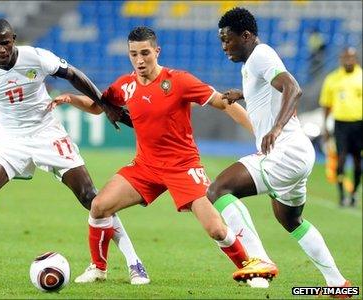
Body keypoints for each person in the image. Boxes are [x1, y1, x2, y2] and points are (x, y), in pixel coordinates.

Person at [0, 19, 149, 285]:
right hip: (11, 139)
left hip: (48, 134)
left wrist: (105, 105)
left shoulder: (35, 57)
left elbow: (72, 74)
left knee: (91, 198)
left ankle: (134, 262)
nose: (1, 49)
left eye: (5, 42)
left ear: (13, 38)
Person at [49, 26, 278, 285]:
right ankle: (98, 268)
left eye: (145, 53)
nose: (139, 60)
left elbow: (225, 103)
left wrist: (258, 134)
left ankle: (251, 269)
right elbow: (97, 106)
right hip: (146, 166)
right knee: (99, 206)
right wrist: (69, 98)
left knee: (215, 228)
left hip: (183, 167)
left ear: (157, 51)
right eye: (133, 54)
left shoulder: (179, 81)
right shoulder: (124, 86)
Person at [207, 7, 351, 289]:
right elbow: (267, 91)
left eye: (228, 39)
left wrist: (276, 128)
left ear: (246, 35)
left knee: (218, 189)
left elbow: (292, 87)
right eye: (221, 40)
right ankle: (338, 284)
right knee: (291, 220)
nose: (224, 46)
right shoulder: (250, 64)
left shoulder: (262, 55)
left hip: (287, 150)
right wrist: (242, 93)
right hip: (297, 155)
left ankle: (258, 259)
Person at [319, 47, 362, 207]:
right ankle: (342, 195)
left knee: (358, 163)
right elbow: (326, 105)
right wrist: (324, 127)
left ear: (356, 59)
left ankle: (354, 192)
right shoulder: (333, 79)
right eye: (345, 58)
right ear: (341, 60)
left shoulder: (361, 77)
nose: (348, 61)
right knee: (341, 161)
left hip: (359, 125)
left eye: (351, 57)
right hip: (341, 125)